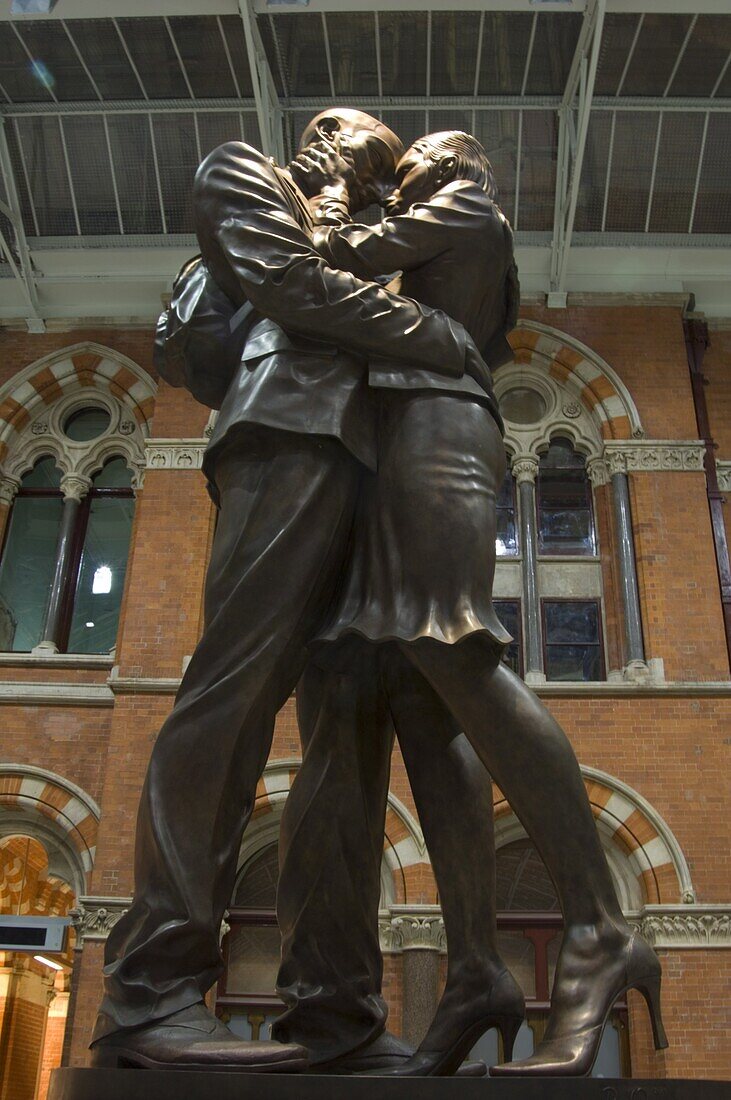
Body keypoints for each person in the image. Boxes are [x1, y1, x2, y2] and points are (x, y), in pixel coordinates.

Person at [88, 109, 498, 1074]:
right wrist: (436, 336)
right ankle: (150, 992)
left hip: (371, 461)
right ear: (323, 136)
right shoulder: (245, 174)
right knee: (229, 694)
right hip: (285, 432)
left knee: (349, 738)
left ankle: (334, 1011)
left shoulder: (373, 238)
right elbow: (291, 285)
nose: (375, 174)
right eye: (366, 152)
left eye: (386, 167)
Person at [276, 131, 668, 1078]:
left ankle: (598, 928)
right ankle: (477, 972)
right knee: (417, 688)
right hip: (401, 434)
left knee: (452, 645)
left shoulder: (460, 206)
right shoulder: (440, 236)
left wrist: (332, 196)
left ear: (449, 162)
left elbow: (325, 263)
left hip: (439, 431)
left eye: (405, 162)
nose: (393, 171)